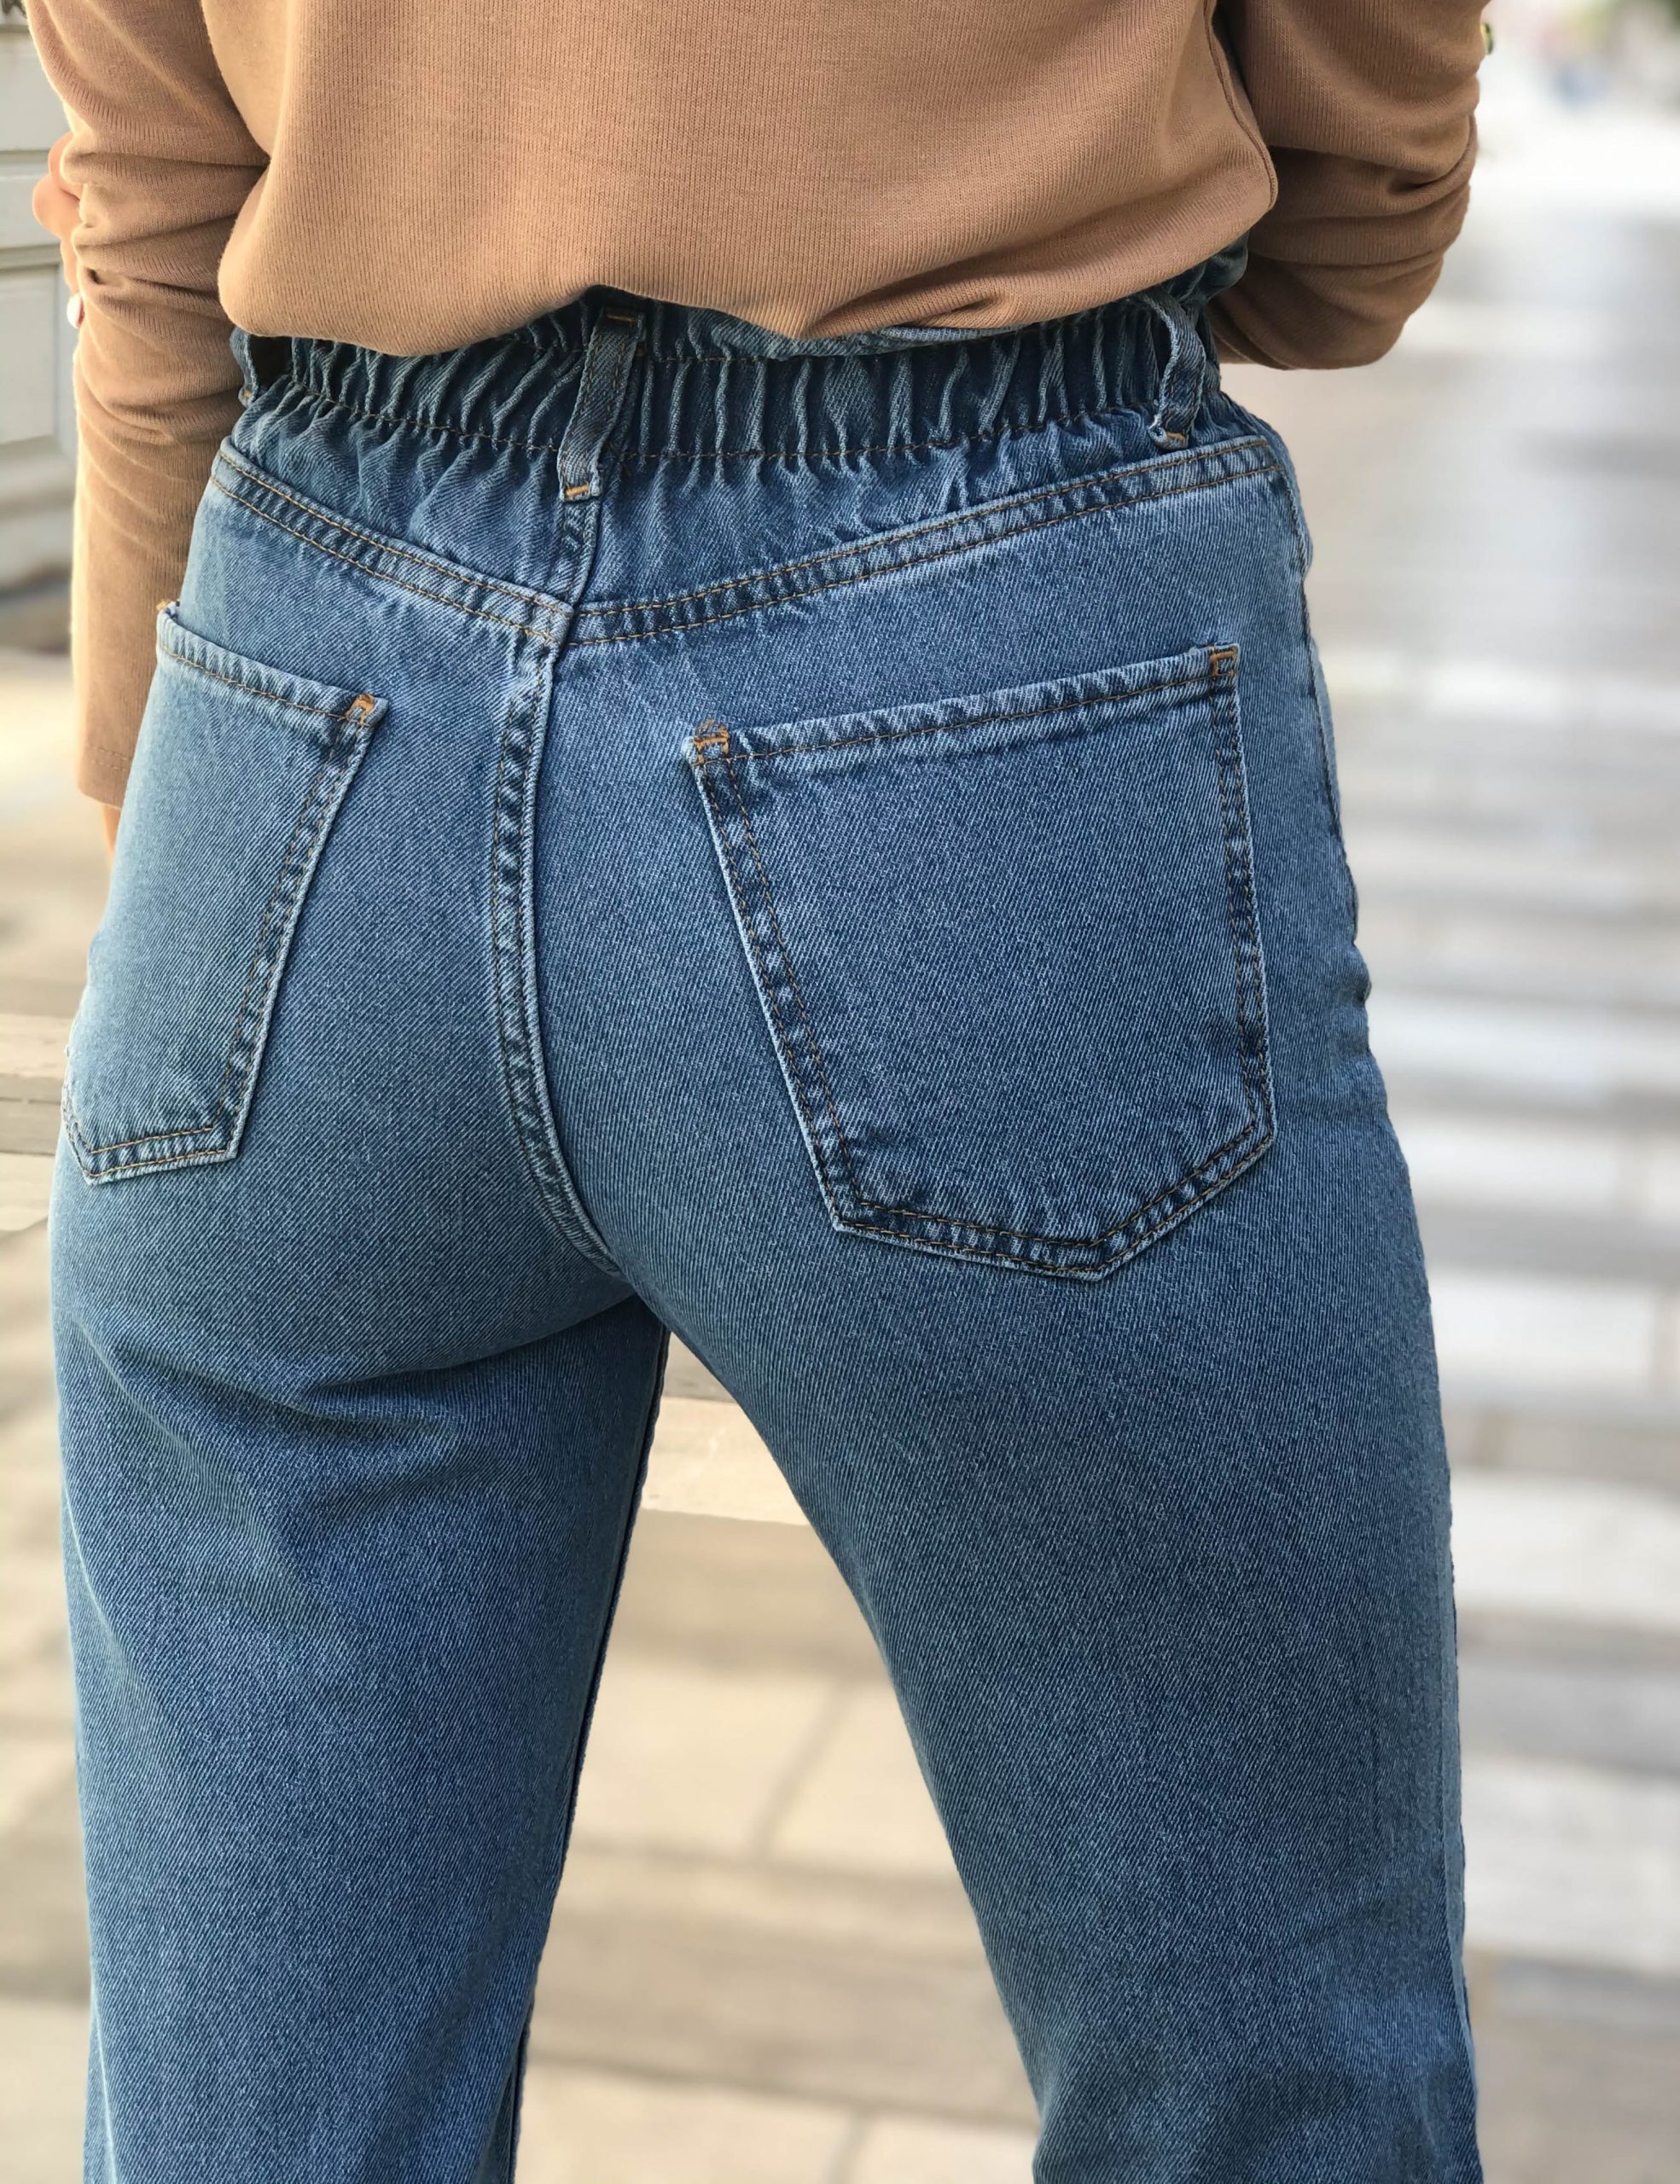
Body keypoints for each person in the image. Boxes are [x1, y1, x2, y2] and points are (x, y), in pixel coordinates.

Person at [31, 5, 1490, 2180]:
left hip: (301, 682)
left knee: (259, 2120)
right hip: (975, 626)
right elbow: (1358, 151)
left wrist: (171, 774)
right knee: (1257, 2070)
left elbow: (151, 169)